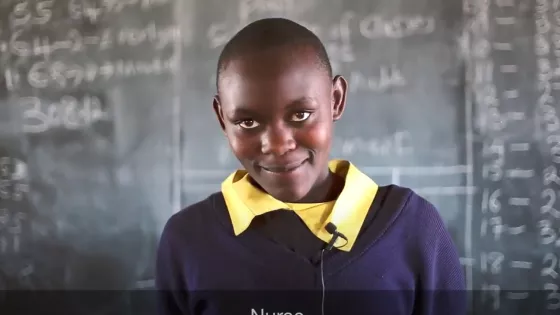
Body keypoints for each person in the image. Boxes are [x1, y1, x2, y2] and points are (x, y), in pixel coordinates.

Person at [155, 17, 466, 315]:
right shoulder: (189, 241)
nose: (277, 145)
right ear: (222, 118)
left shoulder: (413, 229)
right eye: (247, 121)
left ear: (336, 100)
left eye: (301, 114)